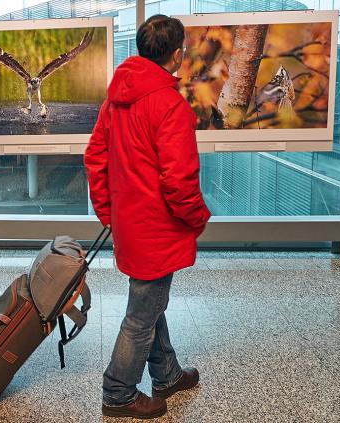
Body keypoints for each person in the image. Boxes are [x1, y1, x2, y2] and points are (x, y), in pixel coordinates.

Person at [85, 14, 211, 419]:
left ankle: (167, 374)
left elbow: (95, 158)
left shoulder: (114, 101)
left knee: (149, 301)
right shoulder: (170, 105)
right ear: (177, 55)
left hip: (131, 225)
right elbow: (179, 181)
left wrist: (109, 212)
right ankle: (118, 392)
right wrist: (197, 218)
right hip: (159, 229)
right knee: (140, 315)